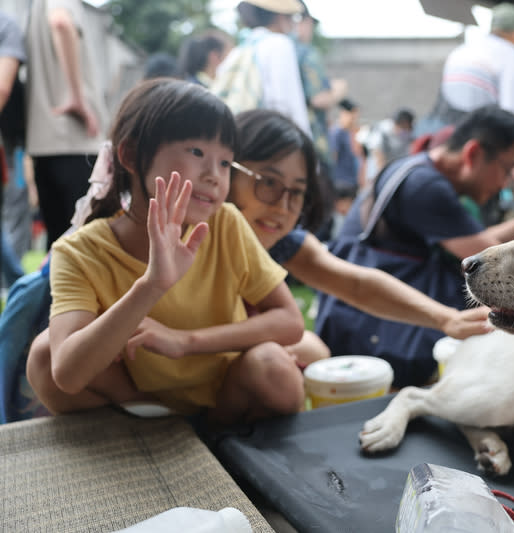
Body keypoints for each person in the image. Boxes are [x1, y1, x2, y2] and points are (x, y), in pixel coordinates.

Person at [25, 79, 306, 423]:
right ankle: (161, 432)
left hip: (226, 397)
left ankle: (215, 442)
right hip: (139, 398)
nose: (214, 176)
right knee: (44, 354)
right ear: (130, 155)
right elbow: (66, 373)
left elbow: (291, 321)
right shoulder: (79, 252)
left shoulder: (224, 223)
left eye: (225, 163)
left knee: (275, 366)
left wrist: (185, 341)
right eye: (198, 153)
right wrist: (151, 285)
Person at [228, 109, 492, 366]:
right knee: (273, 369)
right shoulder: (198, 235)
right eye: (269, 183)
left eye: (297, 192)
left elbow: (356, 283)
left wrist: (447, 319)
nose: (282, 207)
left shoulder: (280, 241)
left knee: (309, 352)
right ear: (225, 169)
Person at [315, 105, 514, 387]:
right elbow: (491, 256)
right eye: (506, 169)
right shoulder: (426, 187)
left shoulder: (415, 169)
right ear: (472, 154)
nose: (504, 184)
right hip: (373, 323)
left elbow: (482, 243)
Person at [26, 0, 108, 249]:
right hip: (75, 141)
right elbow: (61, 22)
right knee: (86, 245)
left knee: (60, 247)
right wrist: (77, 98)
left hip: (45, 145)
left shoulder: (32, 9)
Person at [213, 0, 310, 135]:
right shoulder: (279, 44)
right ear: (280, 17)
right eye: (291, 17)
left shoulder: (241, 48)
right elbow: (287, 103)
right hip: (270, 138)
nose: (293, 24)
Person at [437, 3, 514, 123]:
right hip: (479, 124)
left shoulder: (465, 48)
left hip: (447, 119)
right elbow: (511, 112)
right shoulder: (512, 54)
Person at [293, 0, 347, 163]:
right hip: (310, 144)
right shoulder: (307, 53)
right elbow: (318, 99)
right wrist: (338, 91)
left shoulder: (271, 48)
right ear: (305, 21)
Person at [0, 10, 26, 290]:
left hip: (15, 145)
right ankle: (17, 284)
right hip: (11, 145)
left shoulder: (6, 24)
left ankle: (16, 284)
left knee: (17, 205)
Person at [328, 98, 362, 191]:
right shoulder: (336, 133)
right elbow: (333, 157)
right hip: (341, 182)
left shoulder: (349, 132)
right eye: (352, 116)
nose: (354, 120)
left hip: (351, 181)